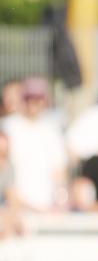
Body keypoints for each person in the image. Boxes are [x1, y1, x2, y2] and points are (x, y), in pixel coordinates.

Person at [1, 76, 67, 212]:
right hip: (13, 209)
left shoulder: (52, 130)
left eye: (38, 98)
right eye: (29, 98)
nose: (33, 103)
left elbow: (59, 171)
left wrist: (61, 202)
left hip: (47, 208)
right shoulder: (8, 127)